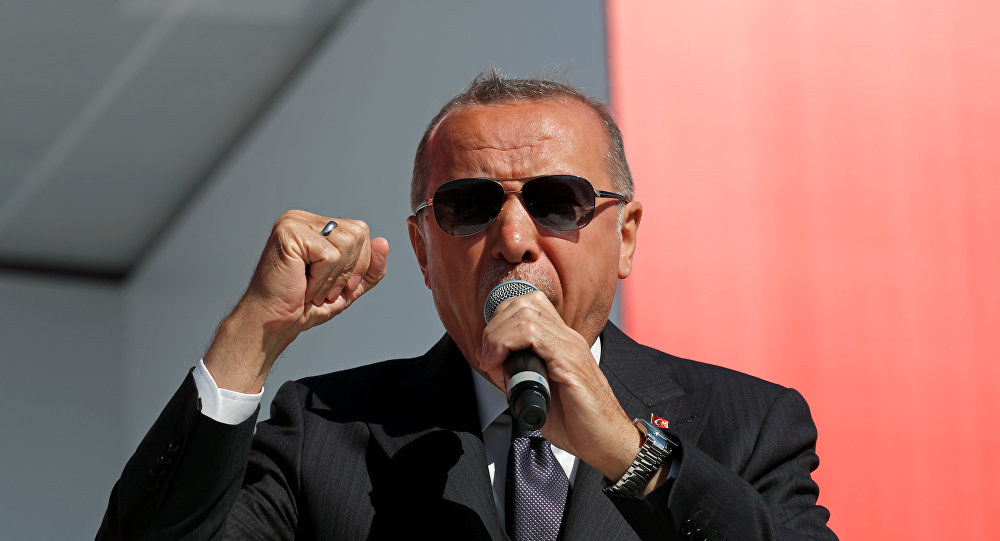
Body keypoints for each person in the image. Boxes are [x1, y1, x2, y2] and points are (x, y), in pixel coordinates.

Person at [98, 70, 837, 540]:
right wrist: (252, 333)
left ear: (626, 236)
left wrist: (628, 451)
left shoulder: (747, 425)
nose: (513, 239)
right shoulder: (323, 433)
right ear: (423, 250)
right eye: (470, 206)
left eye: (558, 202)